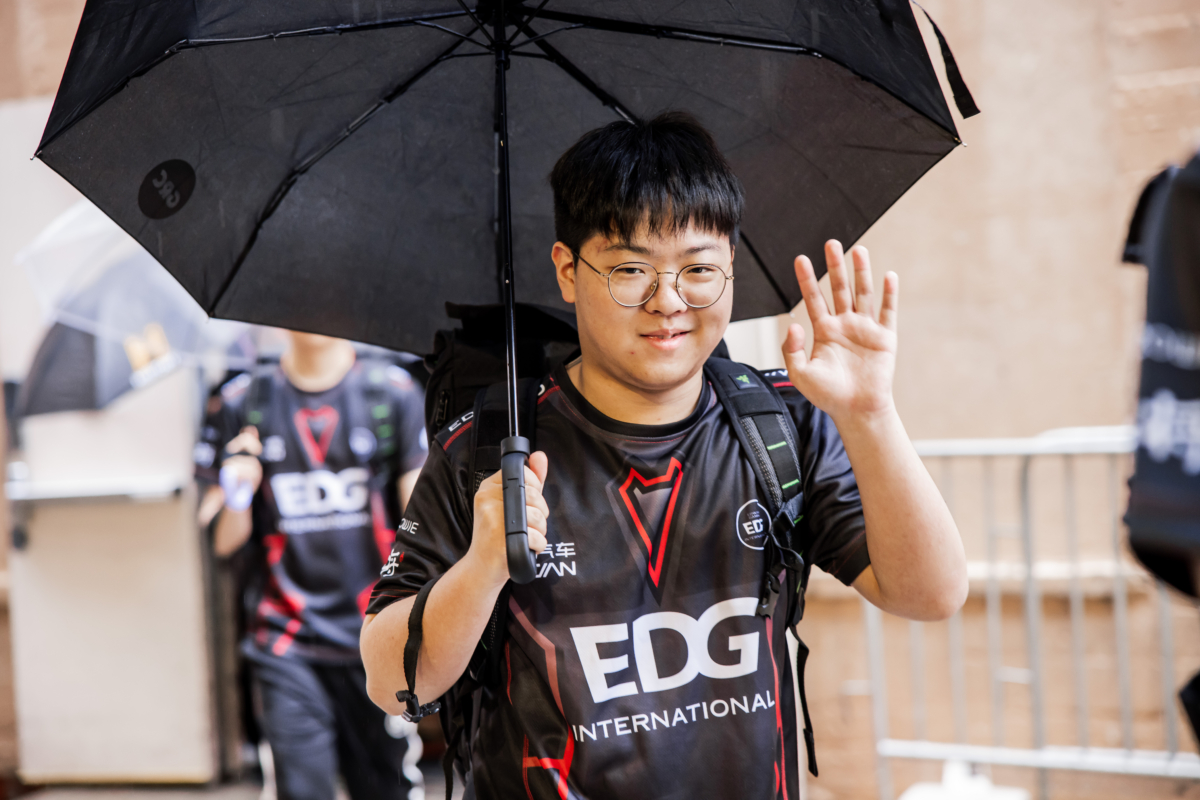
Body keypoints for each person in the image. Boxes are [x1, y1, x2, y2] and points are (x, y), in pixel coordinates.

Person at [360, 112, 967, 799]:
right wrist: (481, 569)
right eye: (630, 270)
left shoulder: (779, 425)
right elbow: (390, 681)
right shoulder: (490, 453)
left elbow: (932, 594)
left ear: (730, 266)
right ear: (568, 270)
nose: (669, 301)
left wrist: (871, 415)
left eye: (699, 269)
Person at [195, 330, 428, 800]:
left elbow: (422, 525)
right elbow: (219, 541)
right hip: (286, 643)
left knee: (386, 790)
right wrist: (238, 491)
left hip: (378, 638)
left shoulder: (392, 393)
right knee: (302, 791)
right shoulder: (244, 401)